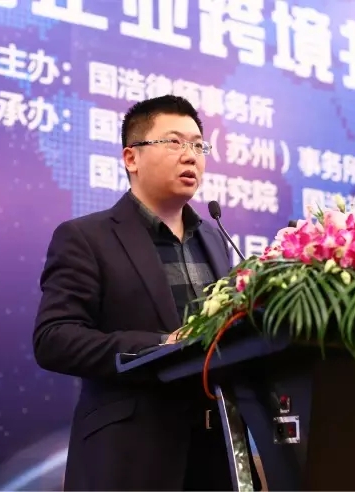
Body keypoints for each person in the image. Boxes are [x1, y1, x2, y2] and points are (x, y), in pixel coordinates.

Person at [33, 95, 261, 491]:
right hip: (130, 458)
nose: (190, 156)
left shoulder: (214, 238)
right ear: (131, 158)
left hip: (217, 453)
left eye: (198, 145)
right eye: (174, 142)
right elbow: (54, 338)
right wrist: (161, 346)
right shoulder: (86, 237)